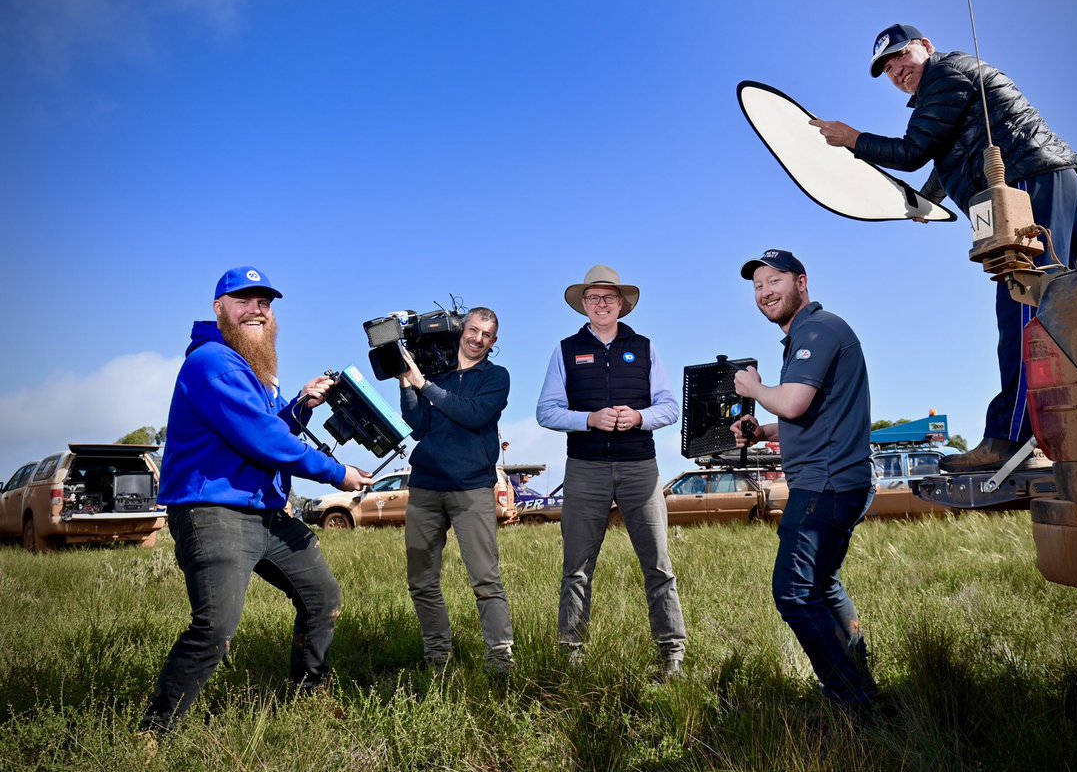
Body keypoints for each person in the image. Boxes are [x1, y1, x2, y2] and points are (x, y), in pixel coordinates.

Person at [810, 23, 1077, 471]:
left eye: (901, 56)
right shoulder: (947, 85)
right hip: (1049, 177)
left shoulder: (945, 76)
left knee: (1022, 304)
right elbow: (950, 151)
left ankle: (1009, 439)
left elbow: (912, 150)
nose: (896, 69)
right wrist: (928, 200)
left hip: (1023, 184)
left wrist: (852, 138)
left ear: (926, 47)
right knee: (1066, 305)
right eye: (886, 67)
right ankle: (1076, 423)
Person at [139, 266, 371, 736]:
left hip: (265, 513)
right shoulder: (212, 362)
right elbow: (264, 440)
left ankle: (309, 698)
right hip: (214, 512)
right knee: (215, 631)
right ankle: (153, 734)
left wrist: (300, 405)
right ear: (218, 308)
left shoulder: (251, 369)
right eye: (244, 300)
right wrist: (337, 473)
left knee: (322, 597)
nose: (257, 310)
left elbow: (267, 427)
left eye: (264, 303)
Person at [731, 249, 877, 711]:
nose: (765, 292)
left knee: (794, 593)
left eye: (774, 280)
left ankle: (850, 698)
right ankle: (859, 679)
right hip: (841, 478)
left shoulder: (815, 329)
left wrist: (753, 390)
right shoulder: (810, 334)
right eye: (757, 286)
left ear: (802, 281)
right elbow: (808, 412)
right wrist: (763, 431)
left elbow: (792, 402)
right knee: (822, 583)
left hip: (826, 484)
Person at [536, 264, 686, 679]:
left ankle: (672, 652)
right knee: (578, 566)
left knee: (657, 563)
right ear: (583, 304)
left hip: (641, 467)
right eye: (594, 298)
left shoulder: (645, 347)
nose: (602, 304)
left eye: (609, 297)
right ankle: (571, 652)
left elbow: (669, 407)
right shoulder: (565, 350)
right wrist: (589, 420)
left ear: (622, 304)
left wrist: (638, 417)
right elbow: (546, 411)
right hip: (585, 469)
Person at [398, 307, 514, 674]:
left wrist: (424, 386)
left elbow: (473, 414)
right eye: (474, 330)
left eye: (487, 335)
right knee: (421, 581)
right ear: (462, 330)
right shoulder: (437, 374)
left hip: (471, 488)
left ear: (493, 343)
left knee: (485, 580)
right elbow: (418, 426)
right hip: (426, 486)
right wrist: (406, 384)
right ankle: (438, 658)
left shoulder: (496, 377)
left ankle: (500, 659)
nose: (478, 338)